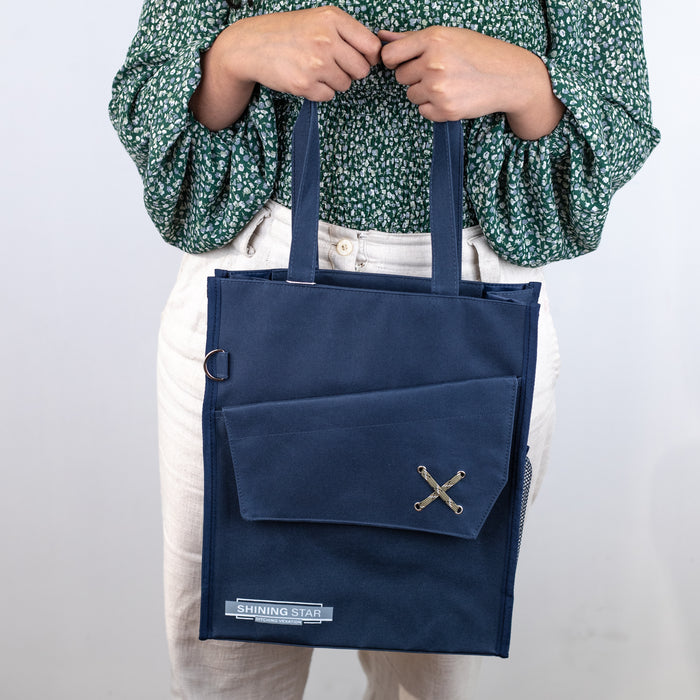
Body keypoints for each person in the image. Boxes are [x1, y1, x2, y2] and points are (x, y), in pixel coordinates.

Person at [108, 0, 660, 697]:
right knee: (228, 671)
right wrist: (234, 54)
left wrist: (526, 83)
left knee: (432, 675)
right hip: (256, 288)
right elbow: (158, 109)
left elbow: (605, 131)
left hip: (469, 307)